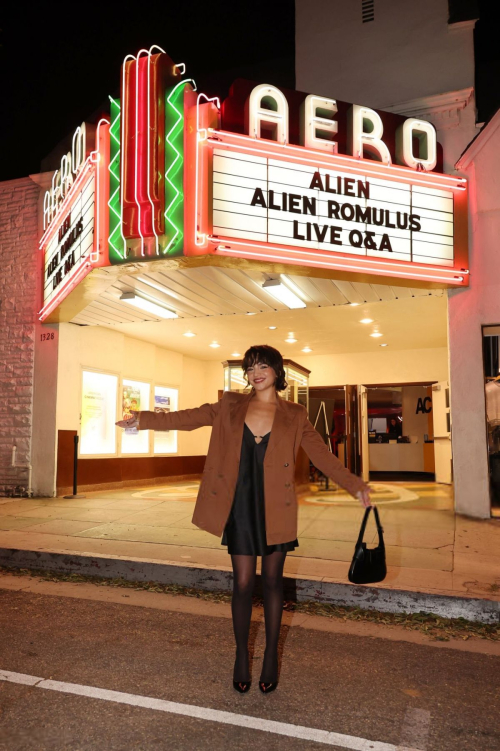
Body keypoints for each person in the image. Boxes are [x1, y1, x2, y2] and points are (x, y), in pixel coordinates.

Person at [116, 345, 371, 695]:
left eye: (263, 366)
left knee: (272, 584)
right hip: (239, 507)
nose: (256, 373)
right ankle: (240, 655)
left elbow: (321, 455)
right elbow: (188, 417)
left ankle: (269, 657)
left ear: (277, 372)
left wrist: (354, 486)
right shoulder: (231, 405)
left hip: (275, 508)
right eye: (250, 368)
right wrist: (143, 420)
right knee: (241, 582)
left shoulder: (295, 413)